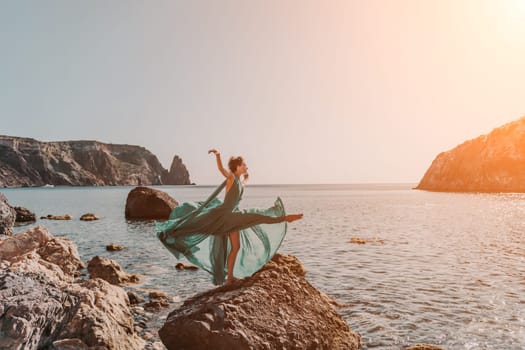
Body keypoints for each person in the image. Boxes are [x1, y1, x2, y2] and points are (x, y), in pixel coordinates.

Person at [156, 149, 303, 285]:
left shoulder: (239, 180)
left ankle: (229, 277)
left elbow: (243, 183)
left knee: (236, 246)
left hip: (233, 216)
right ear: (237, 166)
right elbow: (221, 170)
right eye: (244, 165)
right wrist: (218, 156)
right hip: (226, 214)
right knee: (257, 216)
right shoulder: (232, 177)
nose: (247, 166)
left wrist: (246, 177)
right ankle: (284, 218)